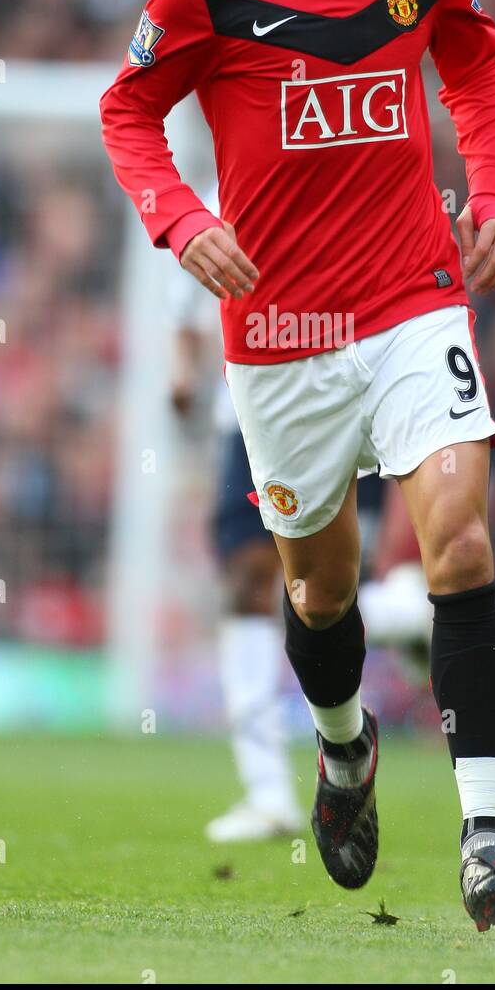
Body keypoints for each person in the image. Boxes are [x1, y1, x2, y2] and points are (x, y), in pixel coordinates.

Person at [100, 0, 495, 931]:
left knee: (458, 541)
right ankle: (343, 753)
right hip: (278, 332)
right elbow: (126, 107)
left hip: (410, 300)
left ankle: (485, 835)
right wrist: (182, 222)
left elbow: (474, 61)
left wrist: (491, 188)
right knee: (318, 588)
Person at [167, 182, 303, 842]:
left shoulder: (331, 146)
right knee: (248, 582)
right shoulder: (217, 196)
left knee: (336, 588)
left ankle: (412, 616)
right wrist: (184, 374)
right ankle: (268, 791)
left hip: (343, 404)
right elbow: (189, 309)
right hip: (246, 421)